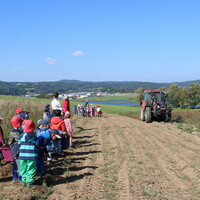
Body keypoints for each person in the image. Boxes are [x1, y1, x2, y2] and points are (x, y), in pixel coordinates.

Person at [19, 120, 38, 188]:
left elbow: (19, 144)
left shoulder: (21, 136)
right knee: (31, 168)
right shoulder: (34, 137)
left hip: (22, 155)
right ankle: (29, 182)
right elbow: (37, 145)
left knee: (23, 168)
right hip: (31, 155)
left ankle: (23, 181)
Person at [9, 116, 24, 181]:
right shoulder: (17, 133)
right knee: (19, 163)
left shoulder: (12, 131)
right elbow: (19, 142)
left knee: (15, 163)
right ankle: (20, 177)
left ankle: (14, 177)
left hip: (13, 150)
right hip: (17, 150)